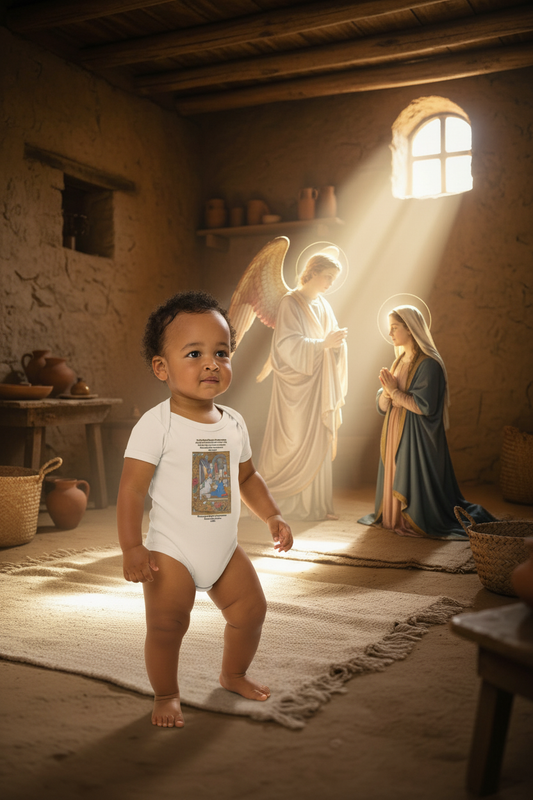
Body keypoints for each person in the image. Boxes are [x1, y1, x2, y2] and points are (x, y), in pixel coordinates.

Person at [117, 291, 293, 729]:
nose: (211, 363)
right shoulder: (157, 425)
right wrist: (132, 547)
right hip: (171, 551)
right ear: (162, 367)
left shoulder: (233, 423)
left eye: (222, 352)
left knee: (251, 611)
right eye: (194, 354)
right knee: (167, 625)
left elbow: (247, 478)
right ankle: (167, 694)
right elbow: (132, 490)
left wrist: (272, 514)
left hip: (223, 549)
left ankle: (233, 674)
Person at [358, 304, 494, 539]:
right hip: (395, 429)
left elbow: (424, 406)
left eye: (395, 327)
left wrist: (394, 392)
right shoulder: (399, 360)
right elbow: (384, 404)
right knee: (395, 469)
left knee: (413, 477)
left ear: (410, 329)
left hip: (416, 435)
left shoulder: (429, 364)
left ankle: (414, 517)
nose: (390, 333)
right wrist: (387, 393)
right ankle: (394, 516)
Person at [257, 251, 348, 520]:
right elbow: (285, 345)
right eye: (327, 277)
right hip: (295, 388)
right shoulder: (290, 302)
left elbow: (330, 341)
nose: (330, 283)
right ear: (312, 272)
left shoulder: (324, 305)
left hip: (319, 385)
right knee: (293, 441)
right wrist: (322, 345)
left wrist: (338, 345)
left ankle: (315, 506)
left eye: (333, 279)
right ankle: (282, 504)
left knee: (317, 440)